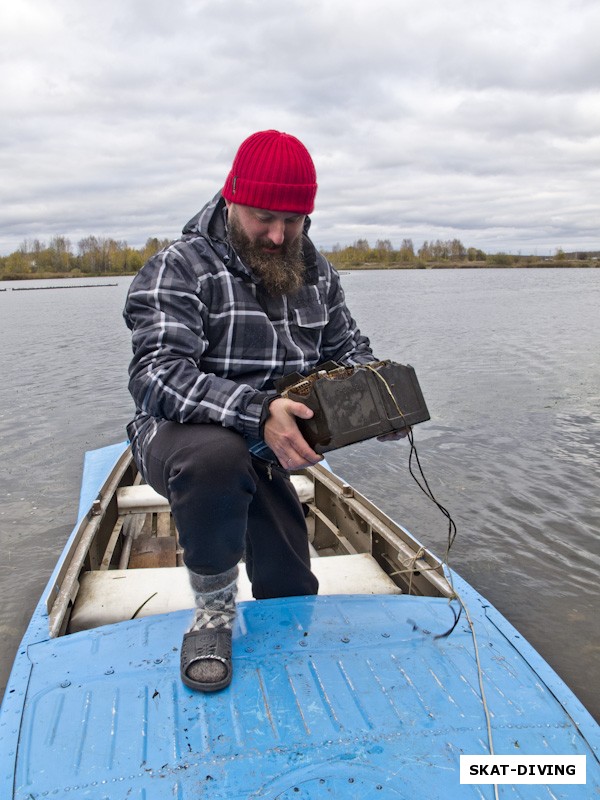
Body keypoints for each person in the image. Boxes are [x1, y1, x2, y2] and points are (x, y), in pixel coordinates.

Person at [124, 130, 385, 693]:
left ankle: (281, 613)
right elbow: (155, 376)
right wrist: (257, 408)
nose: (277, 234)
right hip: (181, 436)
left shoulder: (317, 271)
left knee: (291, 584)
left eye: (293, 220)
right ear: (231, 197)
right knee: (215, 458)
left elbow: (348, 351)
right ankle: (214, 612)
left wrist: (377, 396)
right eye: (263, 217)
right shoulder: (180, 267)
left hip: (266, 443)